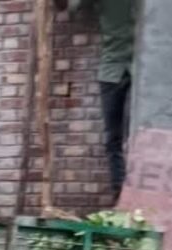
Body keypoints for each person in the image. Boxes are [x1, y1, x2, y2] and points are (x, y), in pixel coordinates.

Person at [54, 0, 135, 200]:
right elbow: (65, 6)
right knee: (113, 138)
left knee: (140, 135)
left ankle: (141, 194)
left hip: (144, 70)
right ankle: (120, 194)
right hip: (112, 70)